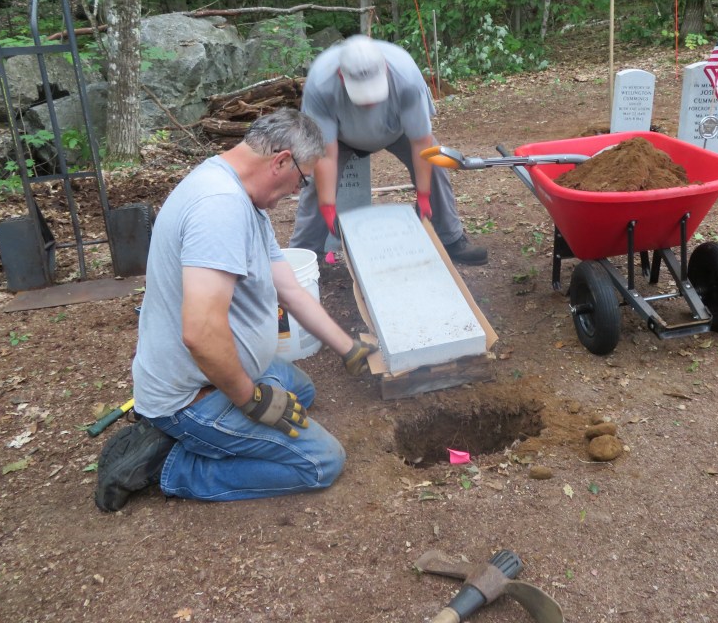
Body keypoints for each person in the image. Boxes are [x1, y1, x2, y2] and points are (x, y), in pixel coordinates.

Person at [95, 107, 376, 512]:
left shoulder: (242, 196)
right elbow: (200, 332)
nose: (294, 194)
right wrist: (250, 399)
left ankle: (202, 424)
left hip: (217, 370)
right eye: (299, 181)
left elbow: (288, 289)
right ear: (281, 160)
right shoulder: (219, 208)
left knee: (301, 389)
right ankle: (171, 466)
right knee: (322, 462)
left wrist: (347, 347)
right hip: (187, 394)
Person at [289, 35, 488, 265]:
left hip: (396, 130)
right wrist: (327, 205)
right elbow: (325, 153)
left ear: (384, 69)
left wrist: (423, 194)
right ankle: (304, 256)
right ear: (341, 77)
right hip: (340, 137)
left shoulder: (406, 76)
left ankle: (449, 239)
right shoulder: (321, 82)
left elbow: (421, 143)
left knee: (435, 162)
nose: (369, 102)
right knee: (315, 180)